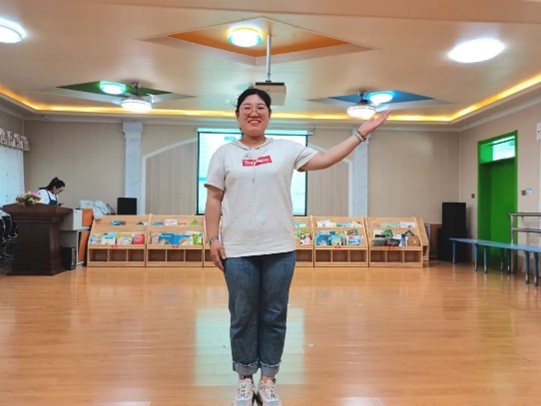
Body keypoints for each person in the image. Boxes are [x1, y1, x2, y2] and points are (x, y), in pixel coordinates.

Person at [204, 88, 390, 406]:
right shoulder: (224, 154)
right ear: (237, 115)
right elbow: (213, 199)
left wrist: (360, 133)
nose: (253, 112)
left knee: (274, 314)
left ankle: (268, 379)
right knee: (242, 314)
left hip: (279, 249)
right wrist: (212, 239)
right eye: (246, 107)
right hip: (238, 250)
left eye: (260, 107)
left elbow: (326, 159)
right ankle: (245, 378)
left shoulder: (286, 149)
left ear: (269, 115)